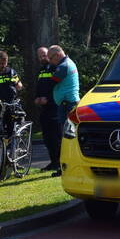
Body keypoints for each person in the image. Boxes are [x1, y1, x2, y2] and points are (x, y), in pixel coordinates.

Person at [47, 45, 79, 177]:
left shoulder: (63, 66)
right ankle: (68, 167)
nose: (49, 61)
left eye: (50, 58)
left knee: (66, 138)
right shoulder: (68, 63)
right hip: (68, 103)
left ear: (58, 55)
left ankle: (65, 168)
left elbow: (51, 82)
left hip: (67, 105)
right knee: (68, 137)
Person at [33, 46, 60, 171]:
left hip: (54, 106)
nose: (42, 58)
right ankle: (53, 161)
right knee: (47, 137)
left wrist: (48, 98)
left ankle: (58, 162)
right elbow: (39, 87)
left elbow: (56, 87)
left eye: (44, 55)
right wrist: (37, 97)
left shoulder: (56, 68)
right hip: (44, 108)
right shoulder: (41, 70)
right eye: (39, 56)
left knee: (55, 136)